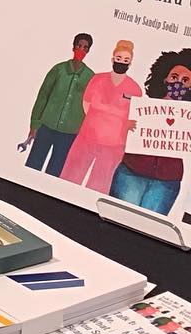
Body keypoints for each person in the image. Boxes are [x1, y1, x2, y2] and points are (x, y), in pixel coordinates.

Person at [109, 47, 191, 216]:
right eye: (174, 77)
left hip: (167, 181)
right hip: (132, 171)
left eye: (186, 80)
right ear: (164, 78)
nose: (178, 83)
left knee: (147, 227)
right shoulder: (141, 107)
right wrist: (127, 126)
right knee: (120, 219)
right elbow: (119, 135)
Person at [62, 37, 141, 192]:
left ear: (130, 63)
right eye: (119, 58)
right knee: (69, 179)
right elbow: (86, 103)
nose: (122, 62)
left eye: (126, 60)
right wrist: (96, 122)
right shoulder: (97, 79)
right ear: (113, 59)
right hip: (87, 137)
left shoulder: (134, 89)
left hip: (114, 145)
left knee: (99, 186)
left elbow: (135, 117)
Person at [21, 33, 95, 177]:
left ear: (88, 51)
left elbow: (91, 109)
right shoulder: (58, 70)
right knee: (33, 166)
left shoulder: (90, 77)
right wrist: (34, 124)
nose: (81, 50)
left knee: (55, 172)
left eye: (85, 47)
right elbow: (43, 96)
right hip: (46, 127)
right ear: (73, 47)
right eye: (79, 46)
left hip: (69, 134)